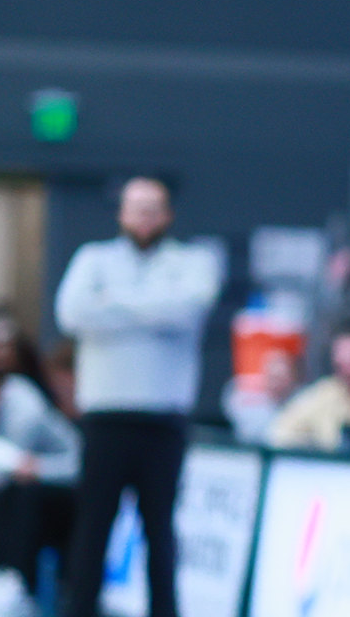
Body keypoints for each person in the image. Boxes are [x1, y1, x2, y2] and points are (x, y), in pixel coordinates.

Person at [55, 176, 223, 617]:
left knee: (160, 533)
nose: (144, 217)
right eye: (136, 207)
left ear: (167, 215)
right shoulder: (93, 259)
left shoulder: (193, 262)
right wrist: (153, 308)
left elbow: (189, 310)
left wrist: (113, 304)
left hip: (162, 424)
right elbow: (72, 313)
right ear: (121, 214)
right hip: (104, 421)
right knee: (92, 530)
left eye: (153, 208)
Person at [0, 363, 81, 590]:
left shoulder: (23, 403)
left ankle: (17, 584)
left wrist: (37, 469)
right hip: (34, 479)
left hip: (67, 479)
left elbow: (15, 460)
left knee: (17, 496)